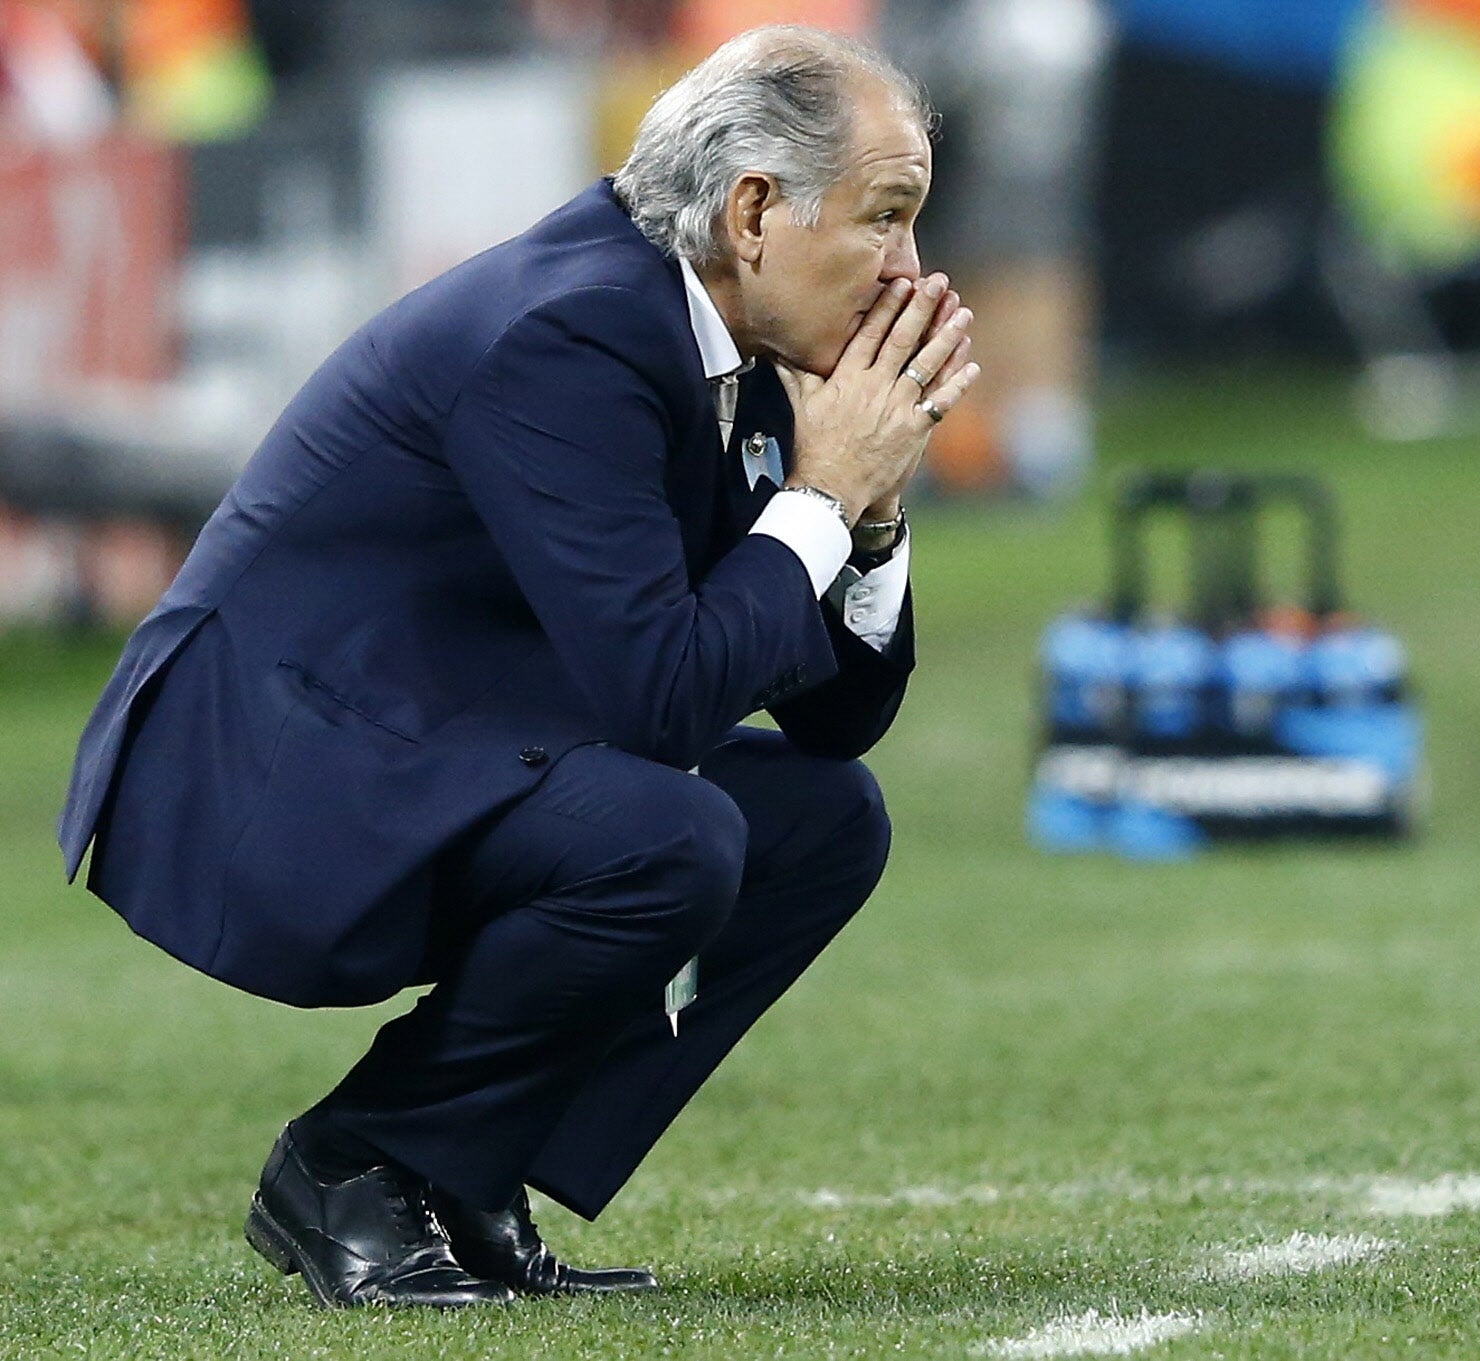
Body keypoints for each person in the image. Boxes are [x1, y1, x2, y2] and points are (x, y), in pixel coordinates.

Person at [57, 24, 977, 1308]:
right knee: (670, 832)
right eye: (888, 217)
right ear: (755, 209)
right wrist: (822, 494)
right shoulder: (578, 329)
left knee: (818, 820)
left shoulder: (740, 330)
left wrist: (866, 518)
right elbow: (661, 696)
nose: (911, 270)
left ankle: (460, 1167)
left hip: (434, 733)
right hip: (272, 769)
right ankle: (354, 1160)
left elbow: (837, 724)